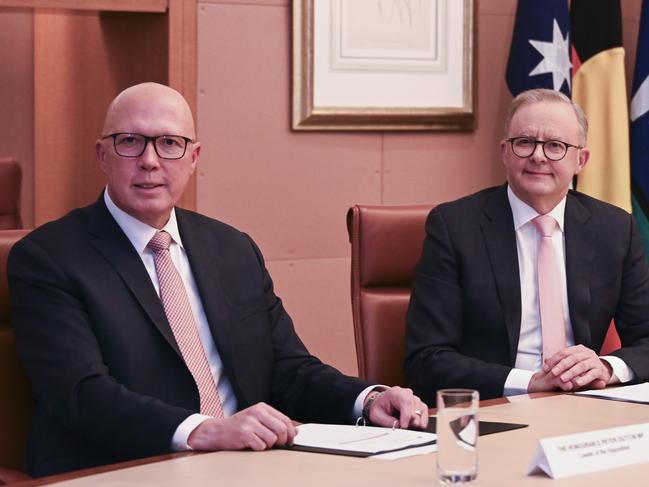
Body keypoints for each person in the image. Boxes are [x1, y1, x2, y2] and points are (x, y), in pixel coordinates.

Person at [8, 82, 428, 477]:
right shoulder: (49, 258)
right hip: (118, 469)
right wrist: (201, 430)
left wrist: (368, 399)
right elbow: (81, 394)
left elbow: (288, 369)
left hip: (243, 469)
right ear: (102, 155)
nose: (150, 161)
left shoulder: (231, 248)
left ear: (193, 158)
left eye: (170, 143)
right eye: (130, 141)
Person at [405, 88, 649, 404]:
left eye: (555, 146)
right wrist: (530, 382)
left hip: (586, 405)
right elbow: (426, 358)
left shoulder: (615, 228)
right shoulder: (454, 227)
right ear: (505, 152)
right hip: (496, 408)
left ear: (581, 160)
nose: (538, 156)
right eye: (525, 142)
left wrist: (605, 367)